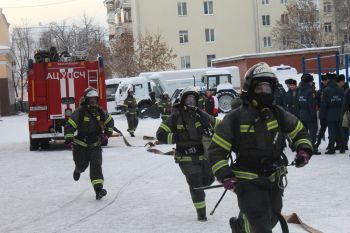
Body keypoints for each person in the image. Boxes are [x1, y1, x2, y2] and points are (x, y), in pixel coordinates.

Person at [208, 62, 313, 233]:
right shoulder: (234, 118)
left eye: (267, 88)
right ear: (249, 88)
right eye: (260, 88)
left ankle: (241, 225)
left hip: (274, 177)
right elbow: (216, 151)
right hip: (247, 180)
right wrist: (225, 176)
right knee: (260, 225)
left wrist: (303, 150)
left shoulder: (278, 113)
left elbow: (299, 131)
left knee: (272, 216)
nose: (264, 92)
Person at [156, 87, 220, 222]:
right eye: (188, 98)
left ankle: (199, 193)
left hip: (203, 156)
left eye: (193, 99)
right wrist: (178, 137)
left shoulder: (201, 115)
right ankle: (201, 214)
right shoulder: (176, 116)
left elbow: (220, 125)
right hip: (186, 158)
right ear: (183, 100)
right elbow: (160, 135)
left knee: (209, 180)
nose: (191, 101)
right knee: (196, 184)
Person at [64, 87, 114, 200]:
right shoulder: (80, 111)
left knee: (96, 166)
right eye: (90, 99)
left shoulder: (100, 111)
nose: (93, 101)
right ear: (86, 99)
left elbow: (110, 121)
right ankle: (78, 169)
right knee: (82, 165)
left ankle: (98, 189)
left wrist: (107, 134)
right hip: (80, 145)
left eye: (95, 99)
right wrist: (69, 139)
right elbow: (70, 125)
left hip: (95, 144)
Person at [320, 73, 344, 154]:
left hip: (330, 113)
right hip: (340, 112)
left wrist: (322, 115)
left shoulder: (326, 90)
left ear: (328, 80)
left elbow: (324, 105)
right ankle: (342, 146)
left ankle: (331, 148)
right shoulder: (341, 89)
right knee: (339, 130)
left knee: (332, 131)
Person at [298, 73, 320, 155]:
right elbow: (311, 106)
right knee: (313, 132)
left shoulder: (300, 90)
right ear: (309, 82)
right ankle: (312, 148)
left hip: (302, 115)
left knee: (305, 133)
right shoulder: (310, 92)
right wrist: (313, 116)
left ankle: (305, 147)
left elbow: (298, 104)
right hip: (309, 115)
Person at [315, 74, 329, 149]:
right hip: (324, 113)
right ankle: (318, 142)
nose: (324, 82)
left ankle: (319, 143)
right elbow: (317, 101)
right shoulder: (320, 91)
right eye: (323, 80)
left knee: (328, 129)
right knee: (323, 128)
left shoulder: (321, 90)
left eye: (325, 80)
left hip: (325, 113)